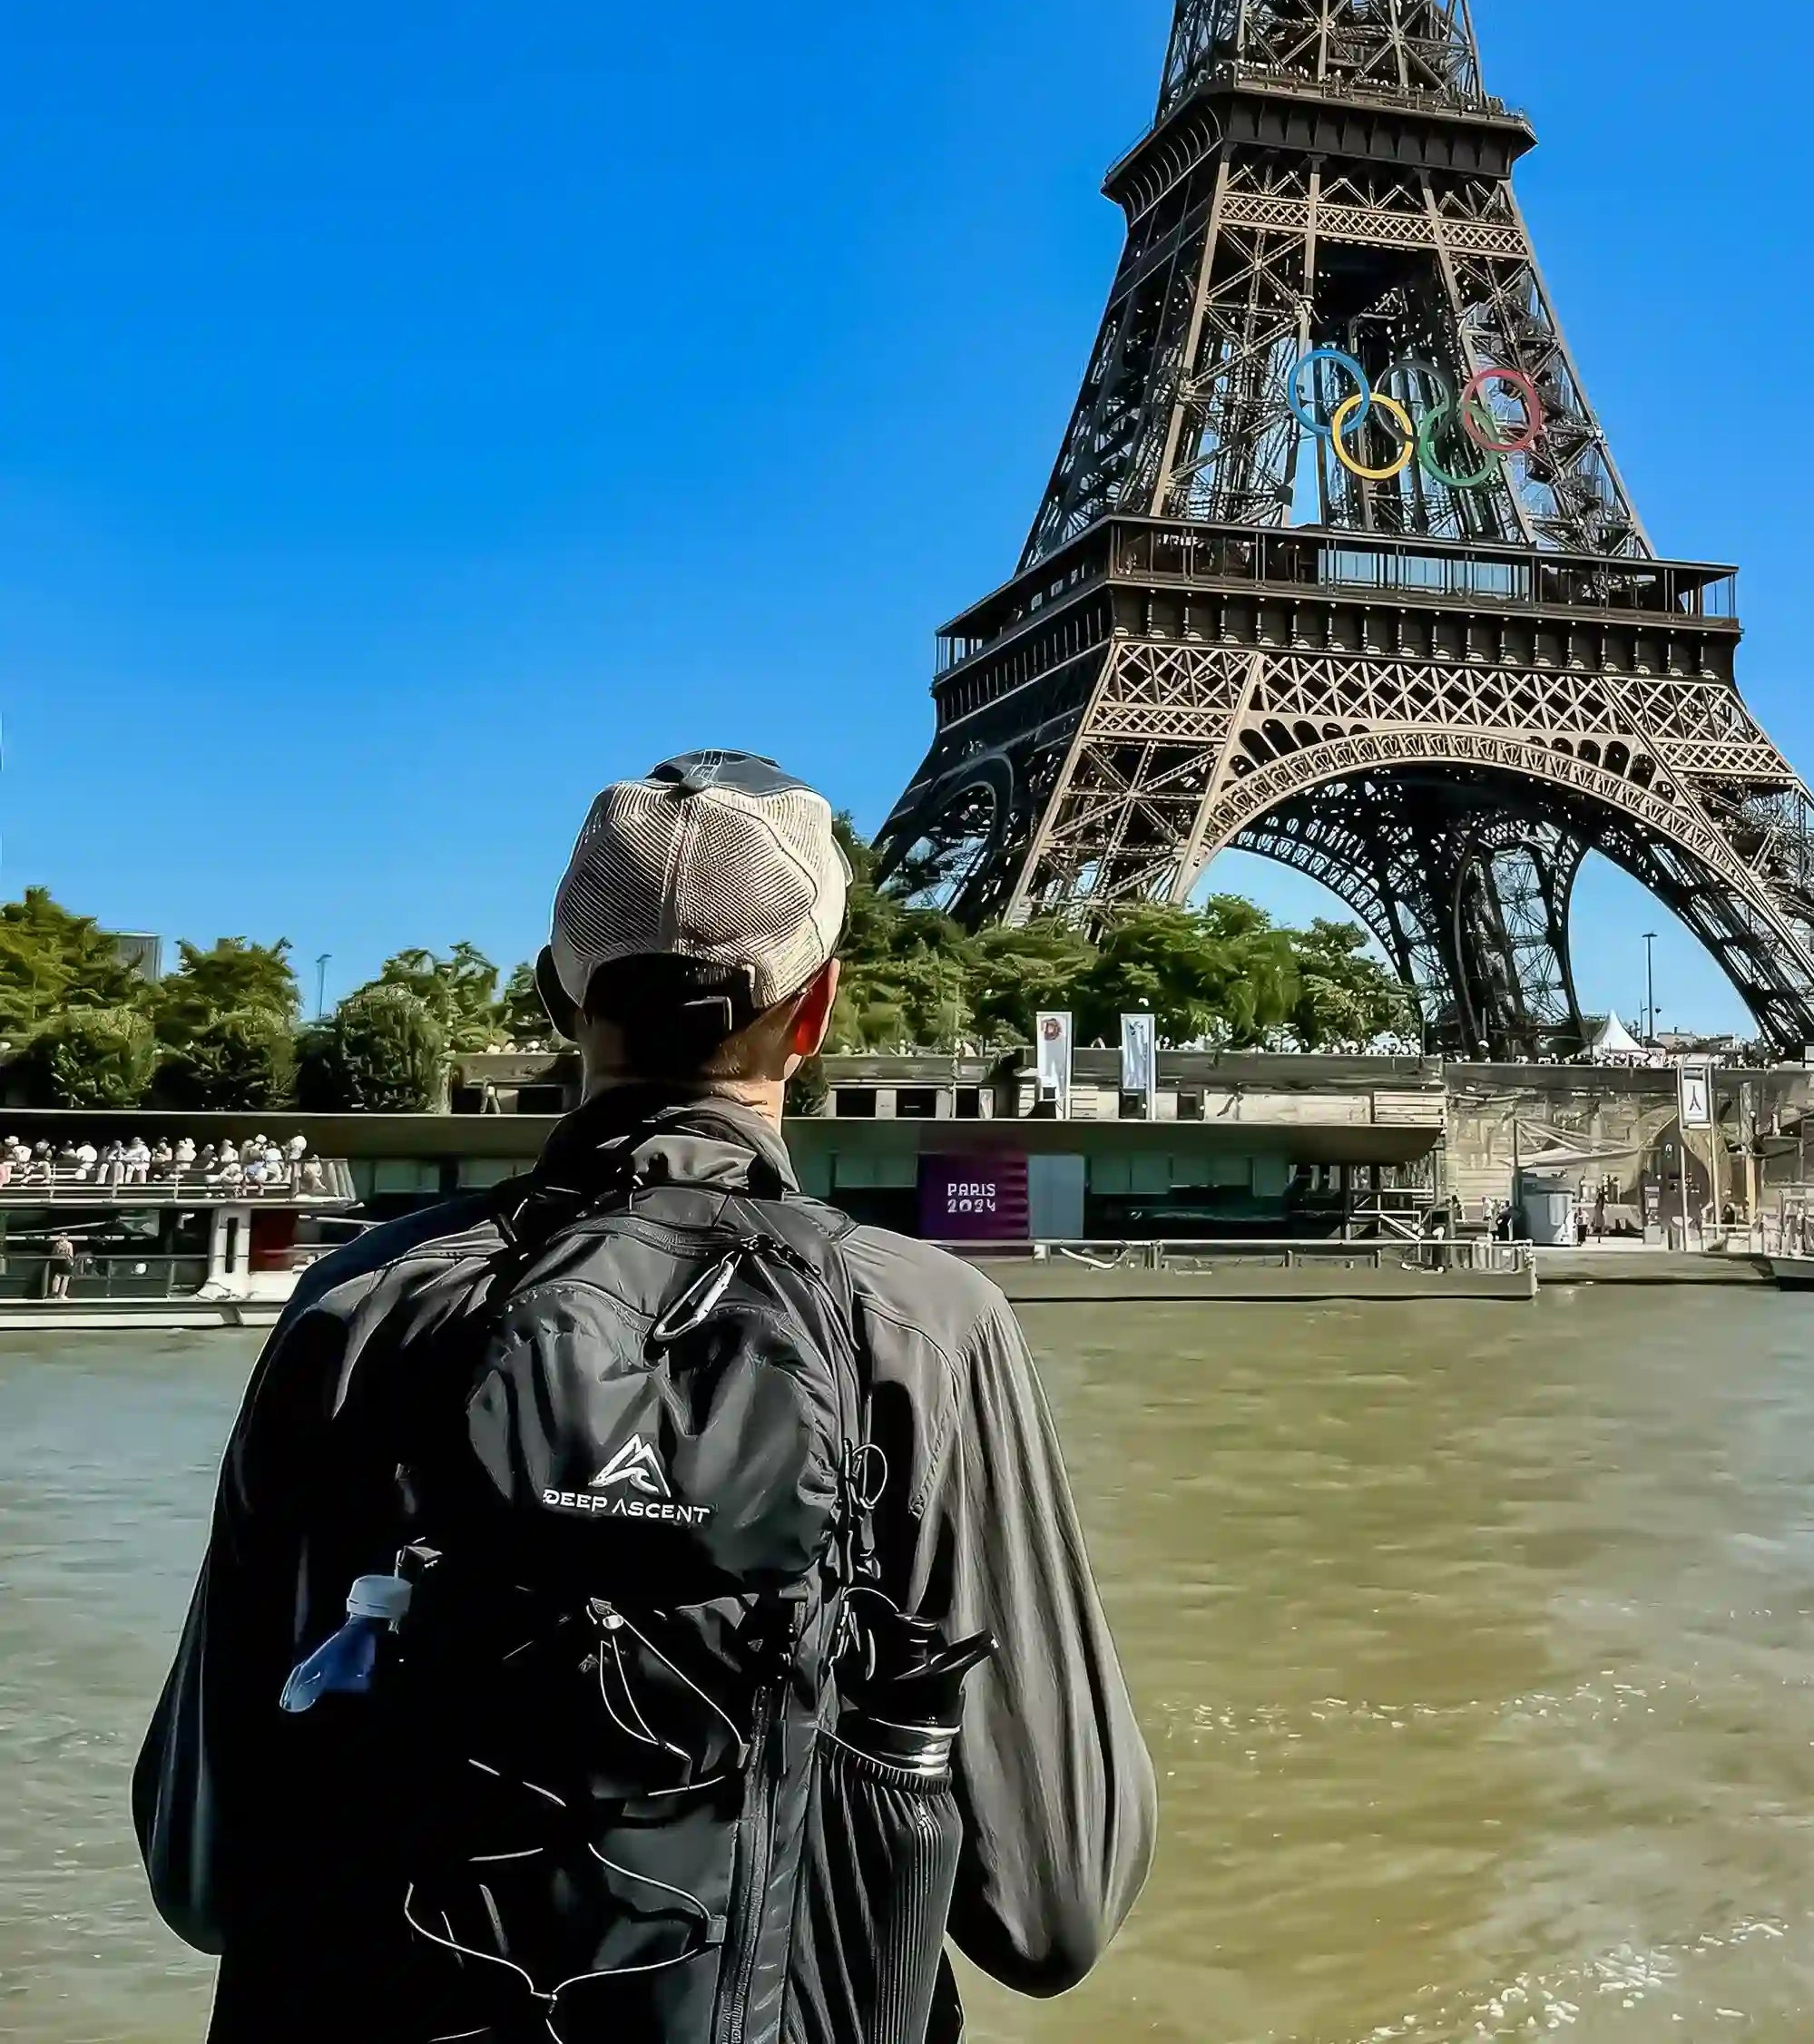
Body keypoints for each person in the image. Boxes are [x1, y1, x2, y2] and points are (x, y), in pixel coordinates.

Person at [135, 749, 1154, 2040]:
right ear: (820, 1006)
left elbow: (203, 1878)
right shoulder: (925, 1327)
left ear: (561, 996)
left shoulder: (360, 1304)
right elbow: (1050, 1914)